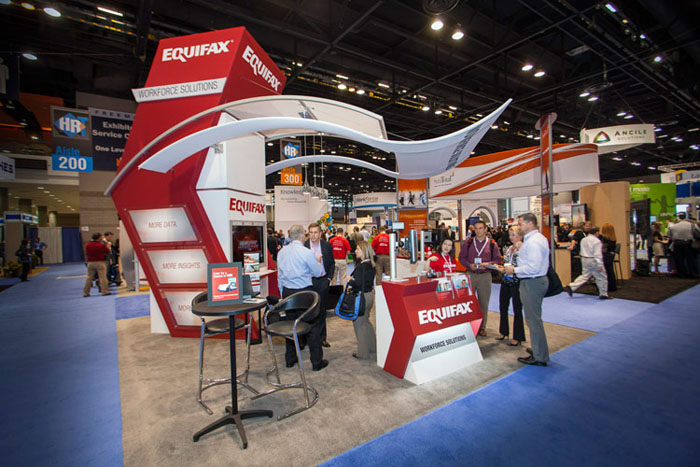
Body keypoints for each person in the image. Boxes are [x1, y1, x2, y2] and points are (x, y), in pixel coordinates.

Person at [277, 224, 327, 371]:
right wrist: (318, 262)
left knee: (290, 326)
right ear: (303, 236)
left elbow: (280, 277)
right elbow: (318, 273)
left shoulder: (282, 253)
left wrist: (282, 294)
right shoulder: (307, 253)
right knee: (312, 327)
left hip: (288, 293)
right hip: (304, 293)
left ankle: (290, 359)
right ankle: (316, 362)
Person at [501, 213, 550, 366]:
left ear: (530, 224)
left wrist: (514, 270)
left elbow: (533, 267)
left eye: (521, 224)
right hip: (533, 281)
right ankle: (538, 349)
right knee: (534, 319)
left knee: (533, 321)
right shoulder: (537, 239)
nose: (519, 226)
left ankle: (539, 356)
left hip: (532, 282)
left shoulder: (533, 242)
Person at [458, 220, 502, 337]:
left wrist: (488, 264)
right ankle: (468, 326)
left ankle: (482, 327)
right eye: (476, 228)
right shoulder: (468, 243)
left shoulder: (492, 244)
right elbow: (461, 257)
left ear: (485, 229)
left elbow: (498, 260)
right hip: (470, 275)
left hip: (485, 276)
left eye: (481, 228)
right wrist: (469, 265)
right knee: (468, 303)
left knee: (483, 303)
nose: (478, 231)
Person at [346, 241, 377, 360]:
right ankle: (373, 347)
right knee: (366, 322)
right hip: (370, 295)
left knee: (359, 325)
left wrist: (350, 280)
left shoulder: (361, 266)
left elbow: (358, 283)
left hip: (361, 297)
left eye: (358, 249)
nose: (355, 251)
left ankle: (363, 353)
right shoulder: (371, 264)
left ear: (364, 251)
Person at [305, 223, 335, 348]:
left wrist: (328, 279)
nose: (313, 235)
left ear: (320, 233)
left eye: (315, 232)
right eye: (311, 232)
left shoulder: (327, 245)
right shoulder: (304, 246)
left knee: (322, 310)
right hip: (308, 281)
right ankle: (308, 338)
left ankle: (322, 338)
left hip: (323, 280)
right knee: (308, 310)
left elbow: (332, 263)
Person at [496, 226, 525, 347]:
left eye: (514, 235)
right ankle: (503, 331)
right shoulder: (508, 249)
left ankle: (518, 336)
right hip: (506, 281)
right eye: (510, 235)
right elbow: (506, 263)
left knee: (517, 309)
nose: (511, 237)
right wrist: (501, 268)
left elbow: (524, 265)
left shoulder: (523, 248)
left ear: (520, 235)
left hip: (517, 281)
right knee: (503, 306)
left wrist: (513, 269)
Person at [564, 226, 611, 299]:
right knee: (601, 277)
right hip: (593, 260)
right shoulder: (597, 241)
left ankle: (571, 286)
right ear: (597, 232)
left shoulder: (584, 239)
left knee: (585, 276)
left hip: (584, 259)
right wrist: (600, 264)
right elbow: (597, 254)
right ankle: (603, 294)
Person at [668, 213, 700, 278]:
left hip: (677, 243)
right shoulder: (691, 225)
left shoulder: (674, 226)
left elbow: (670, 237)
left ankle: (681, 274)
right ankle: (692, 273)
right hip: (688, 243)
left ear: (679, 217)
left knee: (679, 259)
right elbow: (696, 234)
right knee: (690, 259)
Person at [600, 223, 618, 292]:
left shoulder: (603, 239)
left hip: (605, 256)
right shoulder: (613, 238)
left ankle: (604, 287)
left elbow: (603, 249)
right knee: (610, 271)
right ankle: (612, 286)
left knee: (603, 272)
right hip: (610, 256)